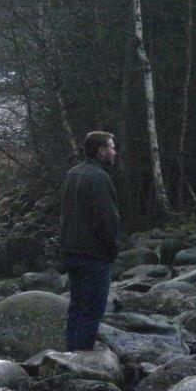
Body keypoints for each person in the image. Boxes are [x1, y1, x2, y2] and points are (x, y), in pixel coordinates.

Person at [59, 130, 120, 351]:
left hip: (72, 251)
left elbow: (65, 215)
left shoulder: (73, 173)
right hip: (94, 254)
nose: (115, 152)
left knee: (76, 308)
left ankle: (70, 355)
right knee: (92, 310)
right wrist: (112, 249)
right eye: (112, 147)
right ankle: (81, 358)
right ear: (101, 151)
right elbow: (107, 219)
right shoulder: (100, 178)